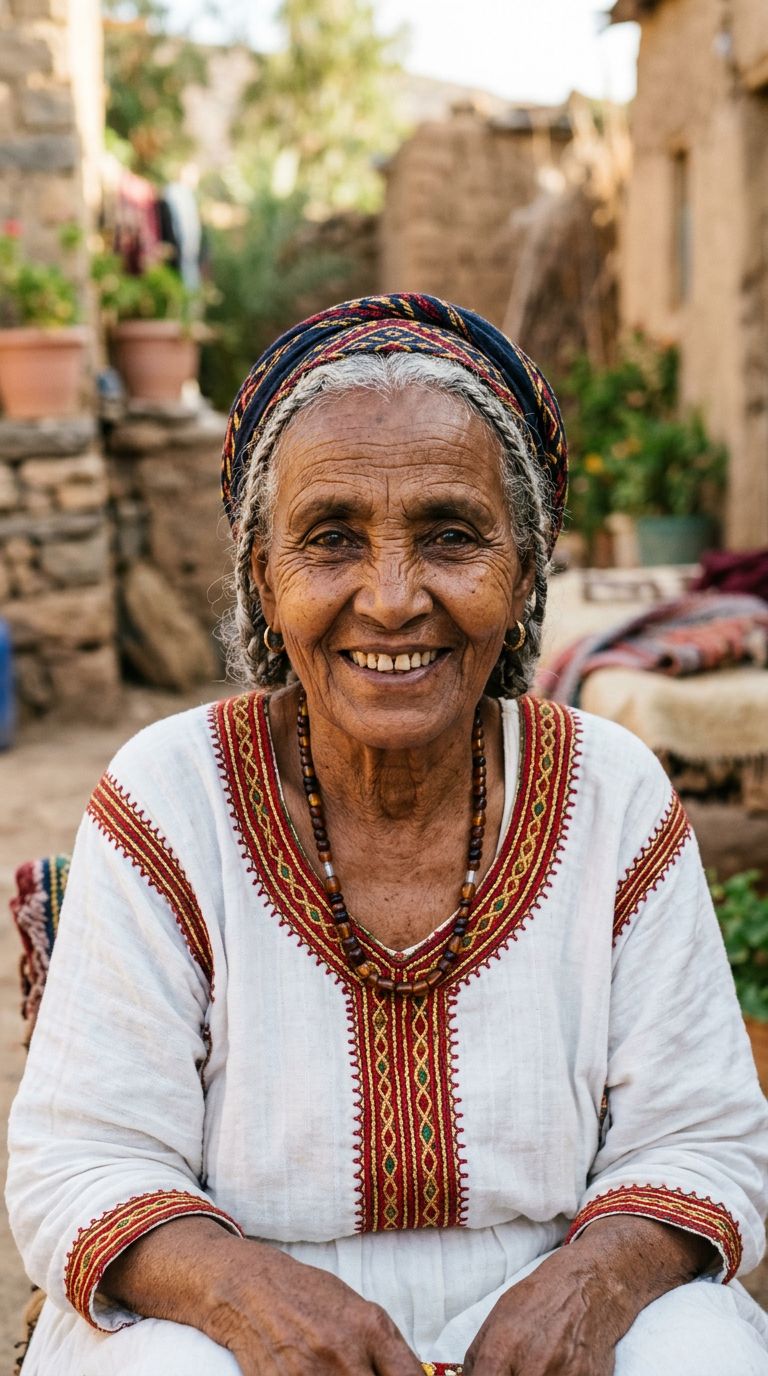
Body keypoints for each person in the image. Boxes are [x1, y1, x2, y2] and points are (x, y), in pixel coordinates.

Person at [7, 294, 768, 1376]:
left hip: (560, 1295)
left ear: (526, 567)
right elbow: (78, 1159)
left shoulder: (612, 793)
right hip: (222, 1312)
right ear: (262, 580)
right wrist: (247, 1295)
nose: (395, 596)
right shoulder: (171, 795)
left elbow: (706, 1139)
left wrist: (591, 1286)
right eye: (331, 539)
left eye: (453, 535)